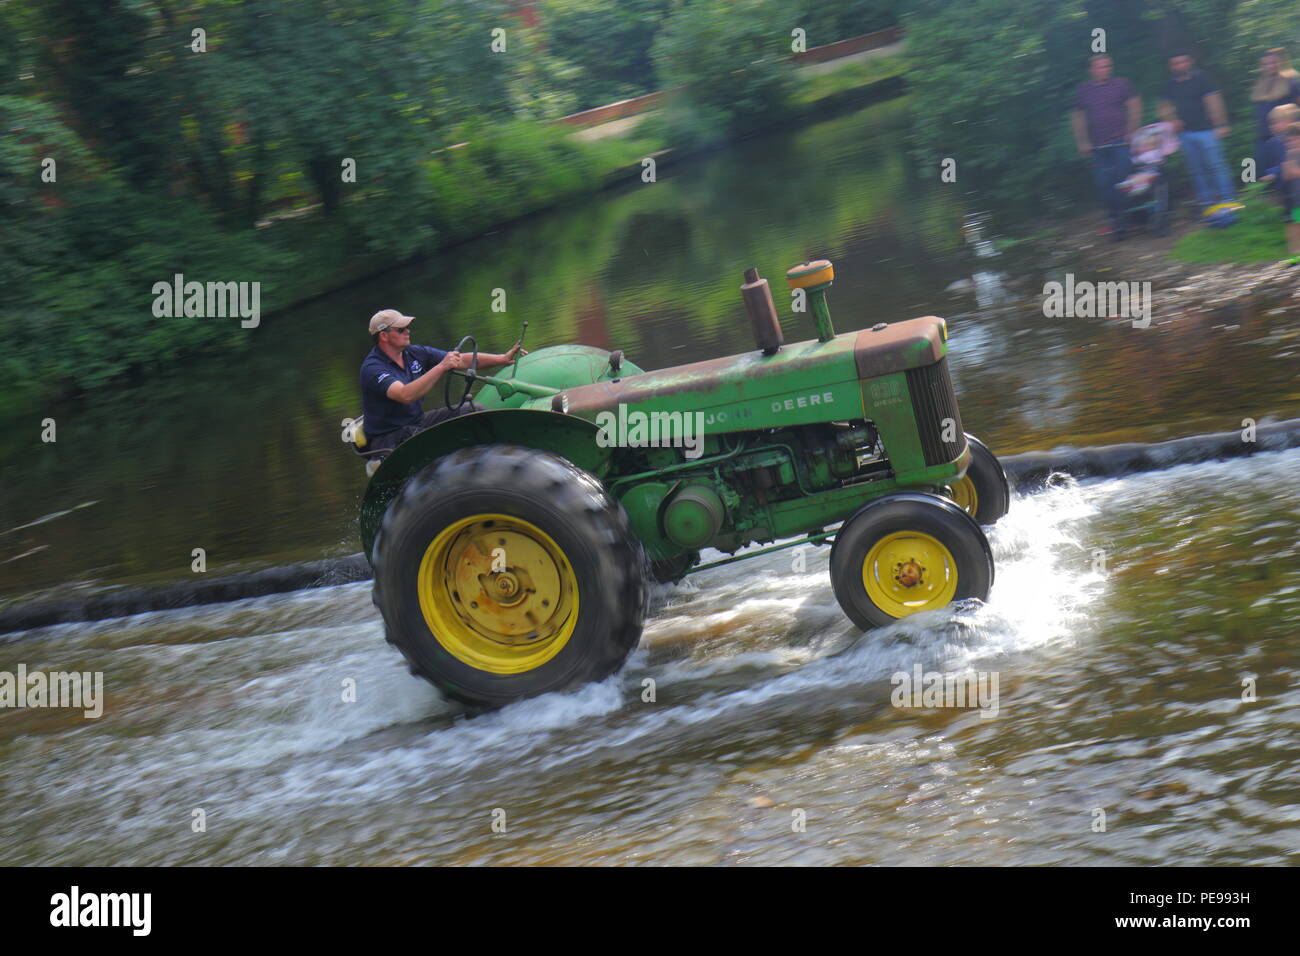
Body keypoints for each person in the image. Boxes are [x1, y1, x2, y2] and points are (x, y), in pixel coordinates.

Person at [358, 308, 526, 457]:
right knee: (432, 440)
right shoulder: (373, 368)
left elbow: (460, 361)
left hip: (415, 422)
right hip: (388, 438)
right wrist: (442, 367)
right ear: (384, 336)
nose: (407, 331)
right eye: (401, 329)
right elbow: (405, 394)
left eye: (407, 327)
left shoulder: (414, 352)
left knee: (474, 411)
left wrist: (502, 358)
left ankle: (501, 456)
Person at [1072, 54, 1143, 239]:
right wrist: (1082, 141)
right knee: (1104, 185)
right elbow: (1078, 117)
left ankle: (1128, 219)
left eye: (1108, 66)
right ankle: (1114, 220)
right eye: (1101, 67)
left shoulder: (1121, 84)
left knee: (1124, 182)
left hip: (1120, 142)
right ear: (1092, 70)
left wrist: (1132, 130)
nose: (1106, 70)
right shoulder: (1083, 90)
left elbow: (1135, 105)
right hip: (1098, 146)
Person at [1158, 52, 1236, 218]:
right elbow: (1164, 107)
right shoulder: (1169, 85)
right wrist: (1172, 120)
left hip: (1207, 131)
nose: (1179, 66)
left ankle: (1228, 201)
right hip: (1185, 134)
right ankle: (1206, 204)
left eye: (1182, 62)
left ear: (1190, 62)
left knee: (1217, 166)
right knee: (1196, 171)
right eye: (1175, 63)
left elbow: (1214, 100)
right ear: (1171, 67)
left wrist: (1221, 124)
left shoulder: (1202, 78)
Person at [1250, 48, 1300, 170]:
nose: (1270, 66)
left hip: (1285, 138)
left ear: (1280, 62)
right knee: (1263, 172)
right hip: (1264, 137)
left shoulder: (1291, 83)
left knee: (1282, 172)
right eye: (1266, 64)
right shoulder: (1261, 85)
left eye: (1274, 62)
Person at [1260, 103, 1300, 216]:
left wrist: (1274, 174)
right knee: (1294, 220)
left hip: (1295, 187)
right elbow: (1281, 164)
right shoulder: (1275, 142)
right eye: (1271, 123)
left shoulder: (1292, 143)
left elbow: (1286, 165)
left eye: (1276, 122)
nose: (1272, 126)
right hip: (1290, 192)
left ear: (1290, 121)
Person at [1281, 122, 1300, 266]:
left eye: (1294, 139)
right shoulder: (1290, 154)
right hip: (1295, 197)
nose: (1291, 142)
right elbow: (1287, 175)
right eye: (1289, 140)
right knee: (1295, 224)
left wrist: (1292, 169)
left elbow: (1293, 172)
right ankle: (1295, 253)